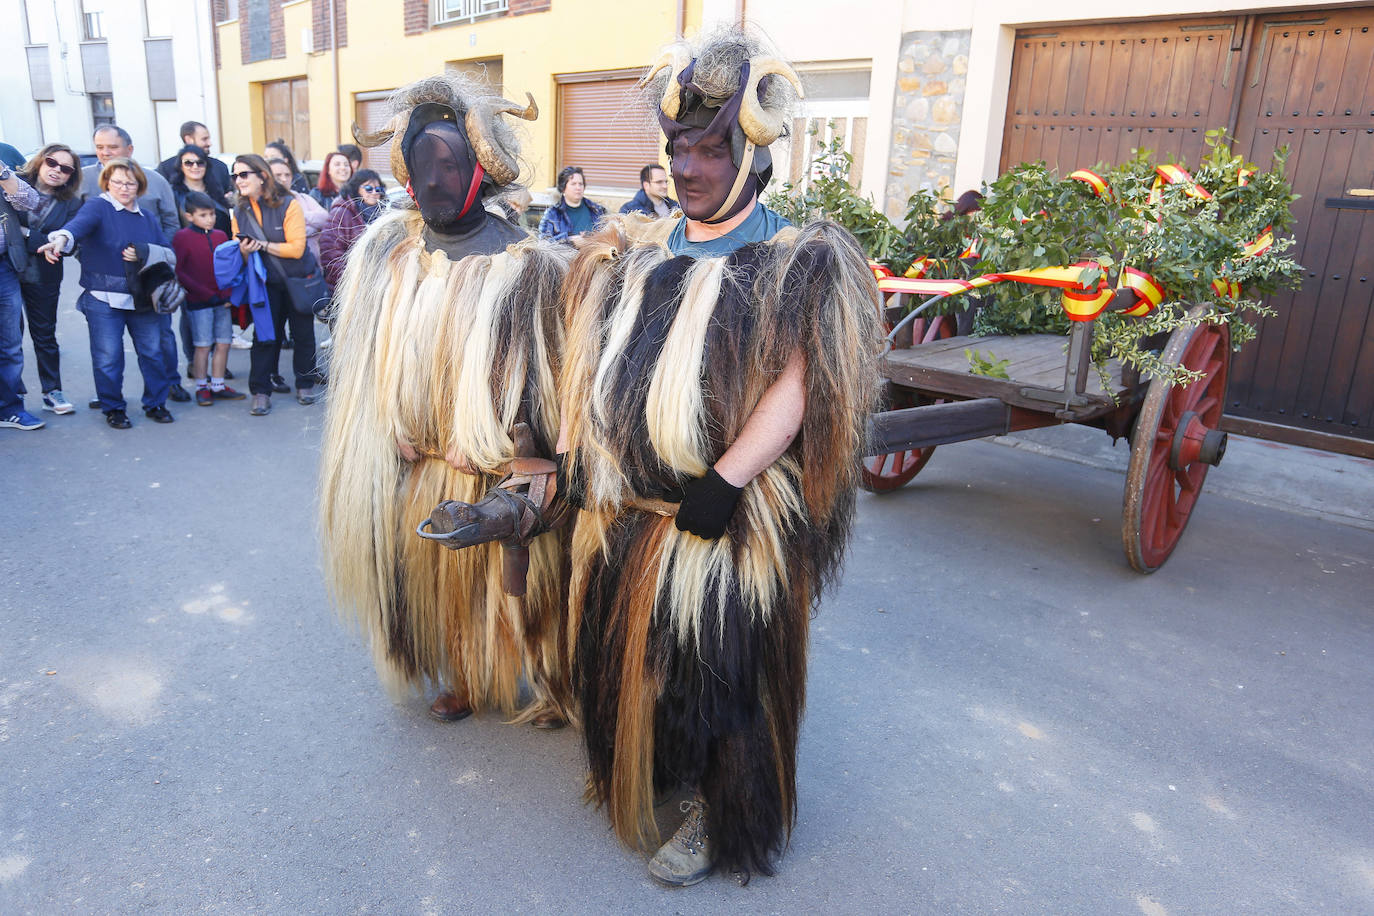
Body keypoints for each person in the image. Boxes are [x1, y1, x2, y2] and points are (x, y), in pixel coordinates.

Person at [557, 31, 880, 885]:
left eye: (710, 149)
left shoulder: (797, 260)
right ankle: (654, 767)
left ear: (753, 158)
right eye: (678, 149)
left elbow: (805, 383)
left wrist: (730, 477)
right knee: (639, 659)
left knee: (721, 677)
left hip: (725, 517)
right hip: (636, 511)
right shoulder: (638, 252)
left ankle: (719, 812)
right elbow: (596, 367)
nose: (689, 167)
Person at [318, 74, 571, 730]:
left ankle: (541, 676)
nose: (432, 184)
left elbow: (541, 381)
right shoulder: (390, 254)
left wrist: (490, 438)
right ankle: (461, 676)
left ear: (481, 169)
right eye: (421, 165)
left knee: (510, 588)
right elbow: (369, 358)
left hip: (488, 469)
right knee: (437, 584)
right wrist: (387, 424)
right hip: (415, 461)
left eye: (448, 165)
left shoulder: (525, 264)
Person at [38, 158, 180, 429]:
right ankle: (113, 408)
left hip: (143, 298)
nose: (124, 188)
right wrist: (60, 239)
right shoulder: (98, 207)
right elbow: (76, 228)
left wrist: (144, 251)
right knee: (108, 358)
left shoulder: (146, 217)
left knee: (152, 353)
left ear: (139, 185)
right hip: (103, 299)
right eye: (117, 182)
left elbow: (169, 253)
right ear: (107, 182)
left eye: (130, 183)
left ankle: (156, 403)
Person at [82, 125, 189, 403]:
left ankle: (168, 386)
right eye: (100, 147)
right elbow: (76, 223)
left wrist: (150, 258)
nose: (105, 152)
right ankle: (110, 401)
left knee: (158, 343)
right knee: (108, 353)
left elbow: (170, 224)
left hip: (148, 281)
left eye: (112, 147)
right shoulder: (84, 181)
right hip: (105, 283)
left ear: (129, 150)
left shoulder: (155, 181)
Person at [229, 154, 322, 415]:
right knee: (265, 337)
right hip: (265, 283)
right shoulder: (239, 210)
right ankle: (260, 391)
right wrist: (246, 251)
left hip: (297, 279)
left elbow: (296, 248)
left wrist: (262, 246)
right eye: (234, 176)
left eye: (243, 174)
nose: (238, 180)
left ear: (262, 175)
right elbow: (239, 250)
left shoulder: (288, 204)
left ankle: (305, 384)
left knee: (303, 335)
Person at [13, 145, 85, 417]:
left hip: (44, 275)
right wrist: (38, 238)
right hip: (8, 269)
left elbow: (63, 242)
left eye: (66, 169)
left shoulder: (72, 204)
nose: (57, 170)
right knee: (9, 336)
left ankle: (52, 391)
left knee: (44, 335)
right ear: (41, 162)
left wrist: (24, 234)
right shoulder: (14, 188)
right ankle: (12, 393)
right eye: (53, 163)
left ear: (71, 176)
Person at [173, 191, 244, 407]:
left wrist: (229, 294)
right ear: (189, 216)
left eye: (212, 214)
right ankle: (202, 386)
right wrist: (205, 294)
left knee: (223, 343)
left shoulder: (221, 236)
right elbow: (180, 271)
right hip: (199, 301)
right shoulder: (182, 237)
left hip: (222, 300)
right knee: (203, 346)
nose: (210, 219)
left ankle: (218, 384)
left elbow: (229, 267)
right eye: (203, 215)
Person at [0, 162, 47, 430]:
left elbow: (30, 201)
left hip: (3, 267)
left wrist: (2, 173)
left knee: (9, 344)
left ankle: (9, 408)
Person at [318, 169, 387, 289]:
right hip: (347, 287)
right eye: (368, 188)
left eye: (378, 189)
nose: (374, 192)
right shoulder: (341, 212)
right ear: (356, 188)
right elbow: (330, 254)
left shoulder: (385, 214)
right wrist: (355, 280)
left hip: (376, 286)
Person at [268, 157, 329, 264]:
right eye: (278, 175)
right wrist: (313, 228)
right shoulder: (265, 204)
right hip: (283, 267)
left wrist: (299, 216)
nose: (284, 179)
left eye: (287, 175)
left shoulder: (303, 198)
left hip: (313, 267)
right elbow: (280, 235)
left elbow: (325, 218)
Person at [157, 120, 233, 196]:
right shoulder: (166, 168)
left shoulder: (220, 167)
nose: (209, 143)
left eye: (200, 164)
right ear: (189, 140)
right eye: (204, 139)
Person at [170, 144, 231, 234]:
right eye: (188, 163)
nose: (195, 167)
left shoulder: (216, 190)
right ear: (180, 166)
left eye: (200, 163)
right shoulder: (173, 194)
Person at [537, 165, 604, 241]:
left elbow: (607, 238)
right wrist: (569, 240)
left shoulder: (596, 210)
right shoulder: (553, 214)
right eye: (573, 184)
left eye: (580, 184)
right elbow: (543, 243)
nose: (578, 188)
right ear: (563, 188)